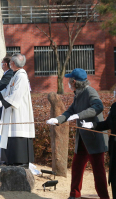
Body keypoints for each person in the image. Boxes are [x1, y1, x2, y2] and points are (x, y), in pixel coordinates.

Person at [46, 68, 109, 199]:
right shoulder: (78, 93)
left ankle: (104, 197)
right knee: (76, 168)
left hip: (94, 138)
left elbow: (98, 107)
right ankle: (74, 195)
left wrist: (79, 115)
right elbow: (69, 112)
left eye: (69, 80)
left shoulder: (90, 91)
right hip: (82, 139)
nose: (68, 82)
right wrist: (57, 120)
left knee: (98, 172)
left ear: (74, 81)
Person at [0, 53, 35, 166]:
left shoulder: (21, 76)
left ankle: (19, 160)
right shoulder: (15, 75)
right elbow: (9, 89)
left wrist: (3, 102)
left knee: (17, 132)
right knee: (10, 133)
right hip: (12, 110)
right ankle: (10, 159)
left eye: (10, 62)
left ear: (12, 63)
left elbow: (16, 94)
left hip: (19, 111)